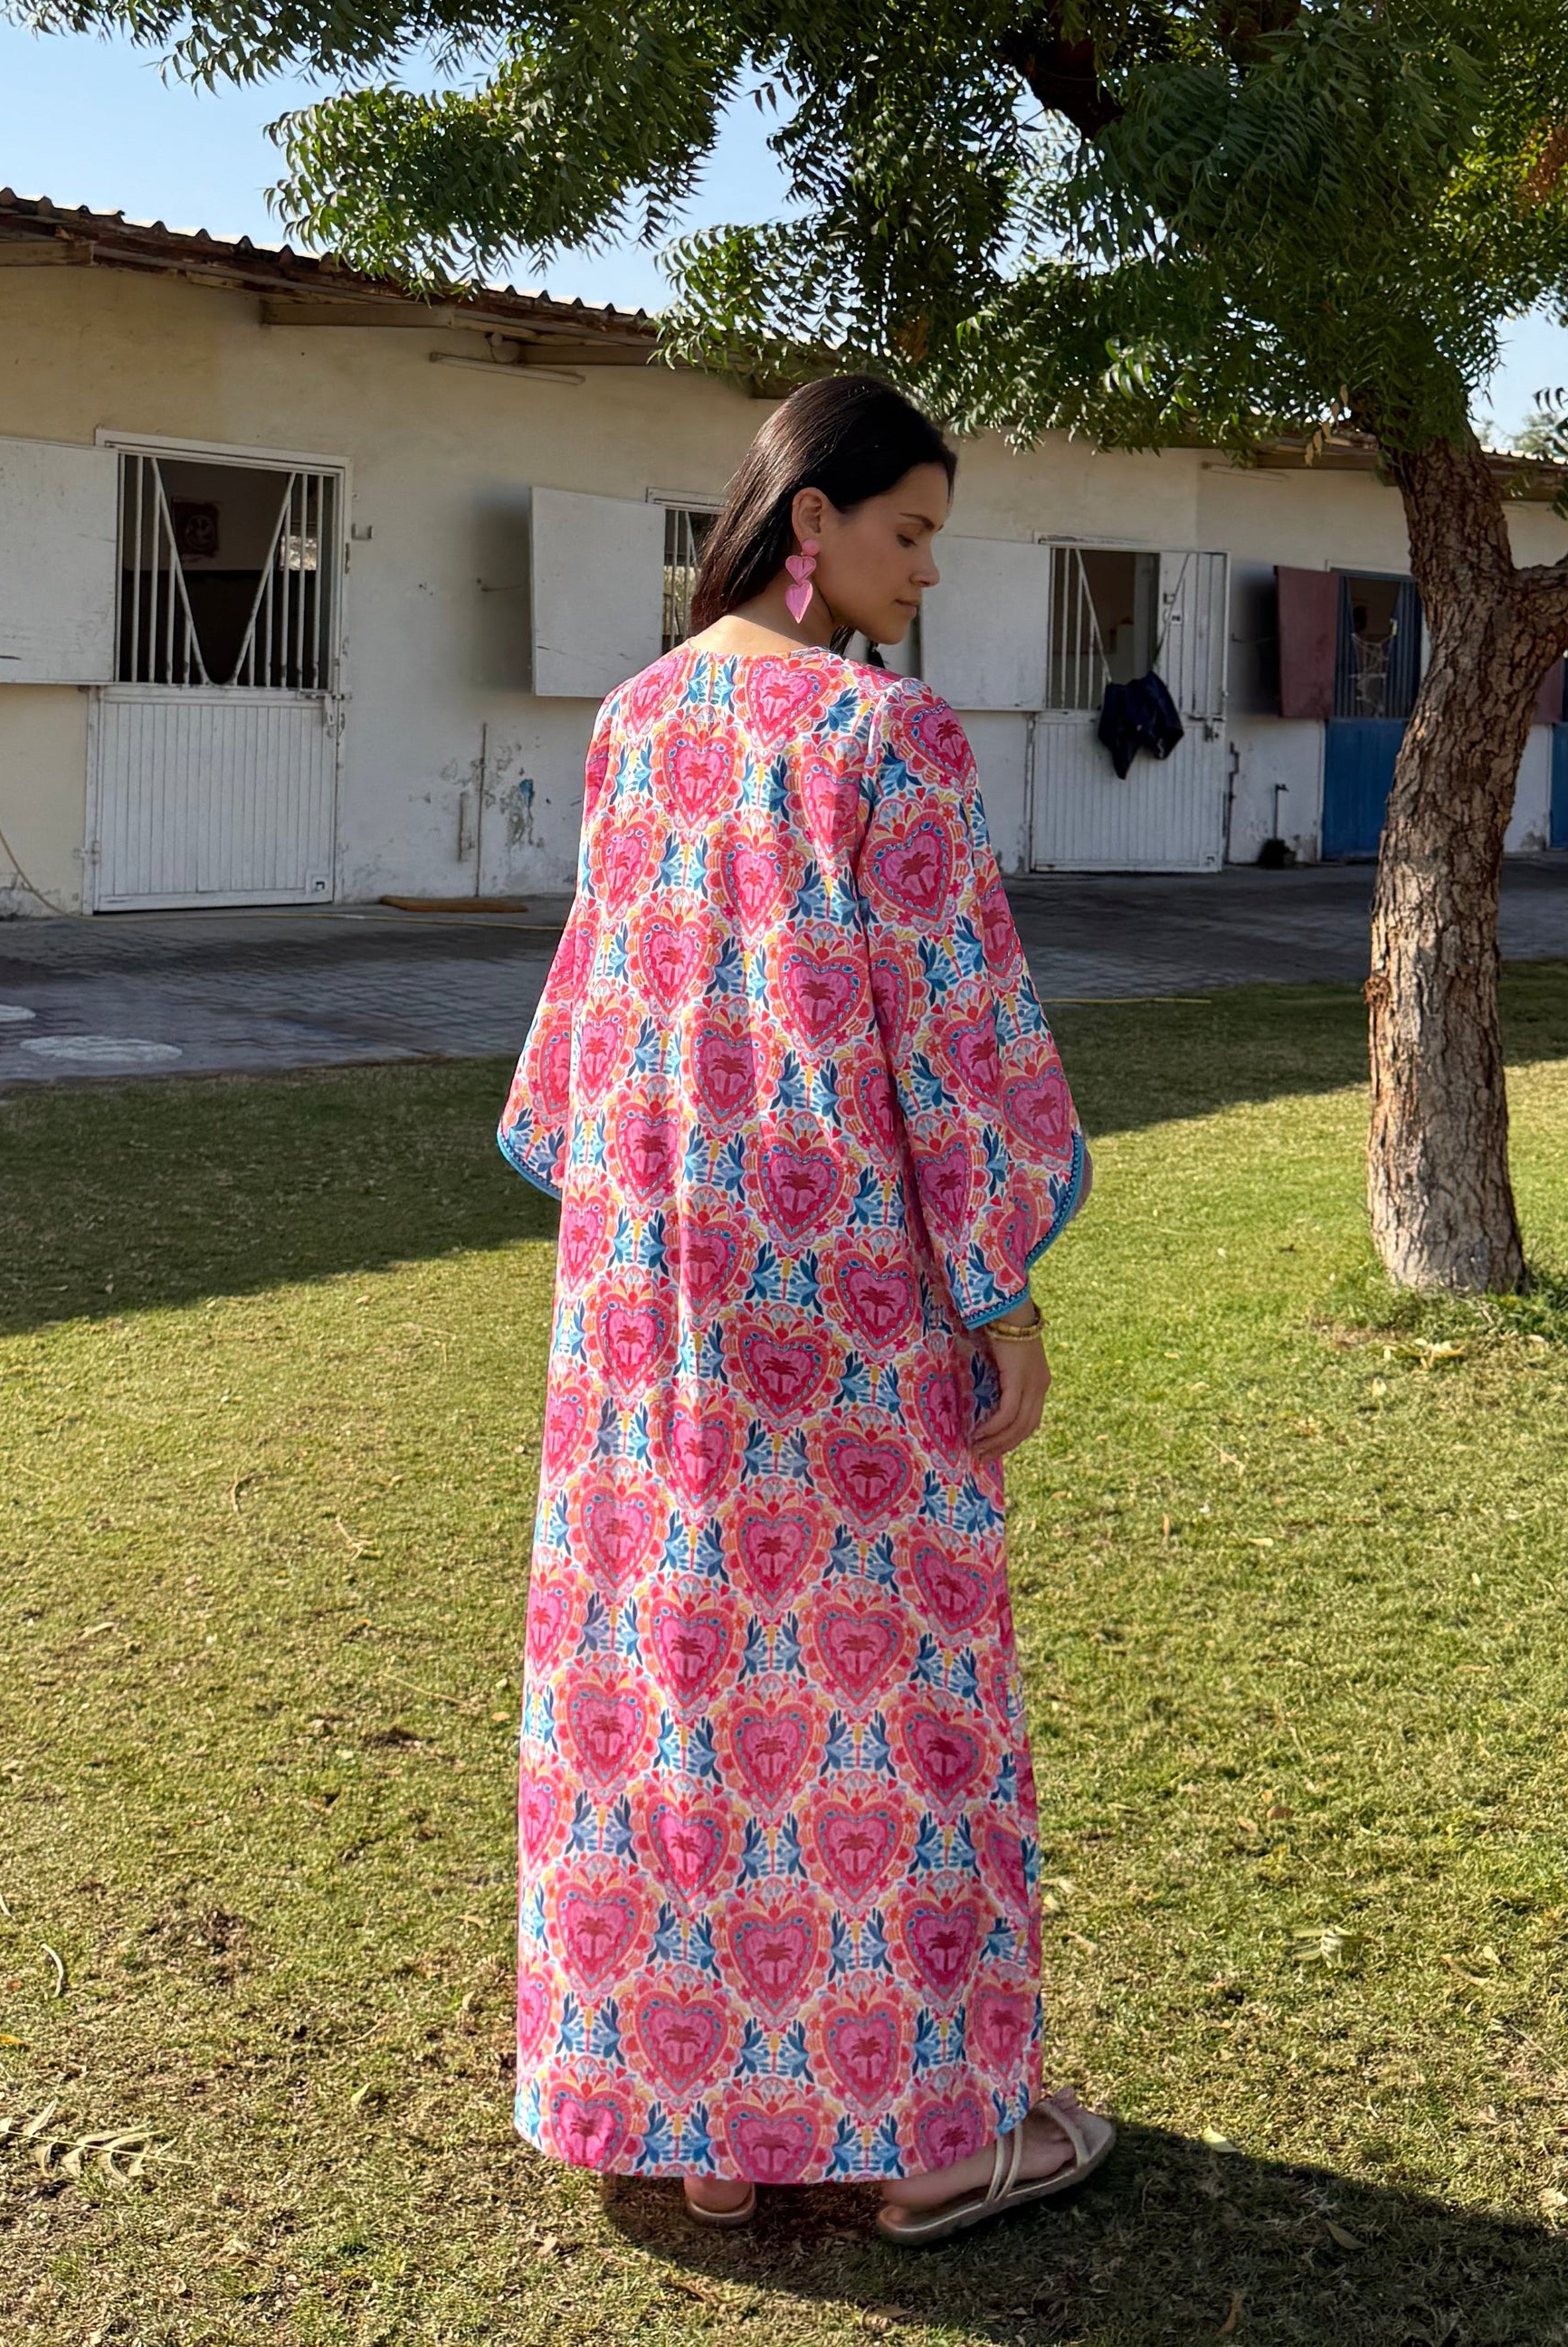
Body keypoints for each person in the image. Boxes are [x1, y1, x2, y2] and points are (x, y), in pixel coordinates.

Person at [498, 375, 1110, 2246]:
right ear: (809, 520)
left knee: (677, 1672)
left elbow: (588, 1023)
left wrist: (642, 1228)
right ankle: (925, 2137)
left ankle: (705, 2129)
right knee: (877, 1692)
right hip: (843, 1303)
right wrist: (998, 1290)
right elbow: (950, 1029)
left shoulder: (634, 719)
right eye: (907, 531)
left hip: (649, 1304)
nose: (925, 570)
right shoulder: (884, 734)